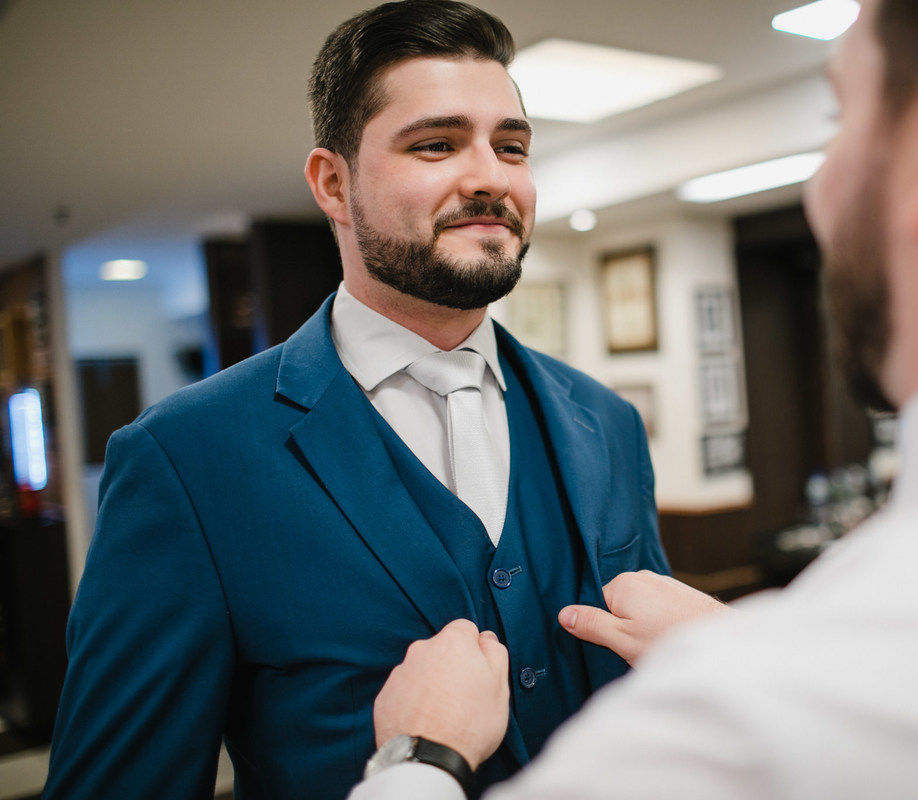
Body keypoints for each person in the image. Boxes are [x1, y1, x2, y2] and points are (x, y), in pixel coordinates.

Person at [349, 0, 918, 796]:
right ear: (331, 184)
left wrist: (418, 759)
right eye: (436, 145)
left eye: (841, 118)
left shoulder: (757, 719)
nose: (821, 187)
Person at [44, 2, 669, 798]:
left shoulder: (607, 423)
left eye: (511, 146)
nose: (491, 176)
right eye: (437, 144)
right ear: (333, 184)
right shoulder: (186, 459)